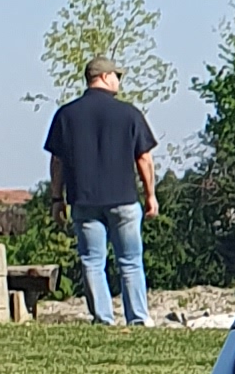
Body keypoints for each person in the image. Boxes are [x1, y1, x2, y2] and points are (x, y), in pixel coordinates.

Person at [40, 54, 160, 329]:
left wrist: (57, 199)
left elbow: (57, 161)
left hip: (84, 200)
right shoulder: (129, 113)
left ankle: (103, 318)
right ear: (105, 77)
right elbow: (144, 158)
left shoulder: (66, 114)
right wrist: (150, 195)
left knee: (92, 262)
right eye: (117, 76)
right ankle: (137, 318)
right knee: (130, 261)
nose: (119, 81)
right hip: (124, 200)